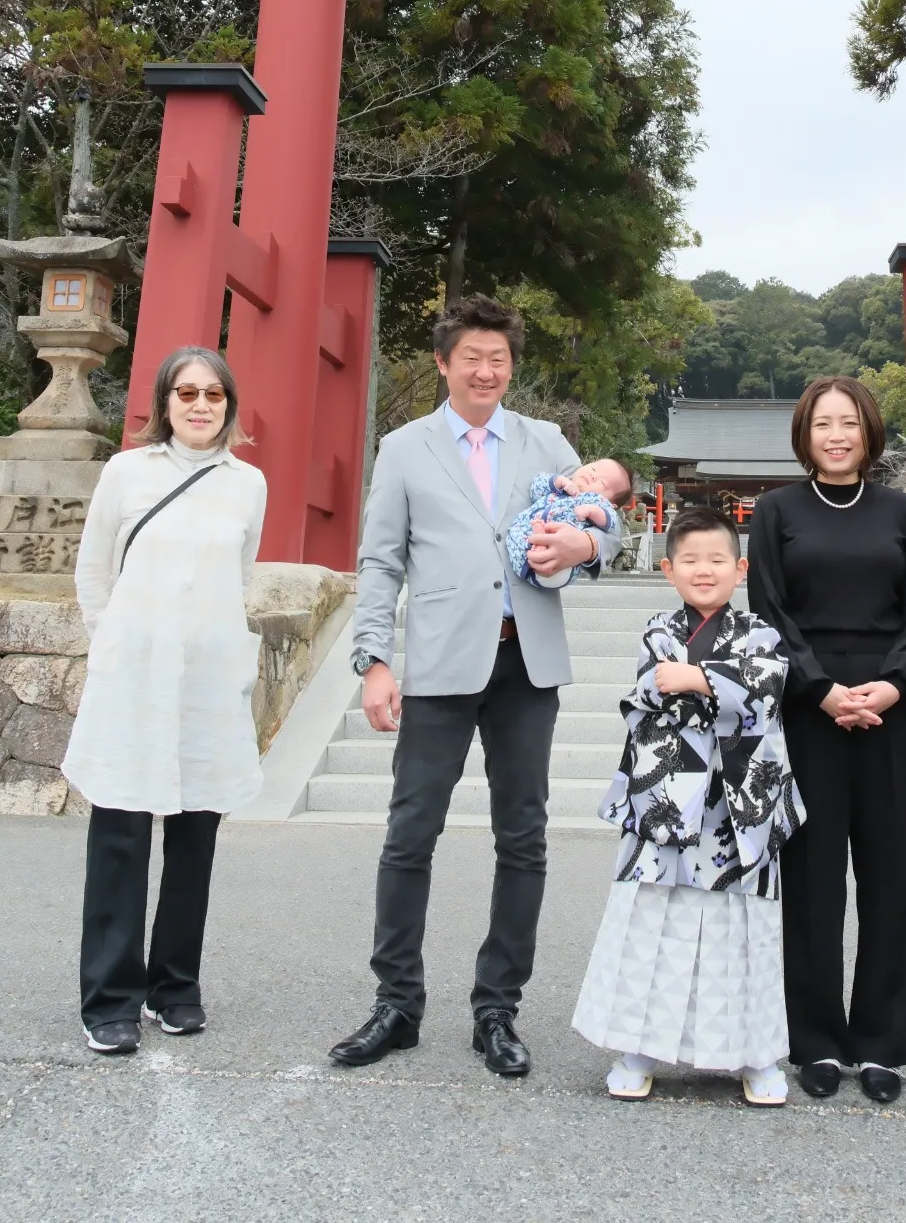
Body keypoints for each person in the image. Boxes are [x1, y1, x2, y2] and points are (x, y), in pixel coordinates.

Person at [329, 294, 625, 1074]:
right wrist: (375, 660)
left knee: (522, 839)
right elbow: (380, 562)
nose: (487, 370)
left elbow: (603, 519)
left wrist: (584, 544)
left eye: (499, 359)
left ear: (510, 366)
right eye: (473, 358)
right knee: (409, 835)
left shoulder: (545, 439)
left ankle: (498, 1009)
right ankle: (396, 1003)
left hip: (524, 662)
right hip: (437, 664)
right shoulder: (405, 447)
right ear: (443, 362)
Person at [63, 347, 266, 1056]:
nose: (201, 405)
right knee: (120, 835)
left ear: (229, 404)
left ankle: (174, 986)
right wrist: (114, 644)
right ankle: (110, 999)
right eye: (186, 393)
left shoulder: (249, 484)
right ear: (164, 402)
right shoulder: (127, 472)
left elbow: (239, 576)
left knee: (194, 837)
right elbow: (93, 570)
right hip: (135, 674)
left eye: (213, 394)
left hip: (207, 680)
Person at [746, 375, 906, 1105]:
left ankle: (884, 1043)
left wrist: (894, 687)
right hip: (807, 709)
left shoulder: (902, 512)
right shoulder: (775, 511)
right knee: (813, 878)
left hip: (889, 707)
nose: (836, 434)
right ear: (805, 433)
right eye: (823, 423)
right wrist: (820, 689)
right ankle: (817, 1041)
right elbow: (768, 609)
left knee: (889, 876)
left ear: (868, 433)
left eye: (848, 423)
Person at [572, 506, 804, 1105]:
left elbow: (765, 694)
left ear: (741, 567)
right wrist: (718, 685)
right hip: (667, 803)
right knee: (654, 921)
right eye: (691, 562)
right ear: (669, 570)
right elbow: (652, 690)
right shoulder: (657, 629)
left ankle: (755, 1057)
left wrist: (698, 680)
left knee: (742, 931)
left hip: (738, 812)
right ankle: (638, 1048)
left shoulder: (763, 635)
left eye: (718, 560)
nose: (705, 572)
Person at [504, 457, 634, 583]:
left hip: (561, 552)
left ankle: (541, 547)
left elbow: (610, 522)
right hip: (523, 534)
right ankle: (538, 544)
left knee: (557, 568)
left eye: (603, 483)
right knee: (518, 534)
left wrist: (593, 511)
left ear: (612, 503)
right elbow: (536, 488)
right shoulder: (560, 487)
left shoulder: (597, 501)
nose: (593, 476)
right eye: (593, 468)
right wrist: (557, 481)